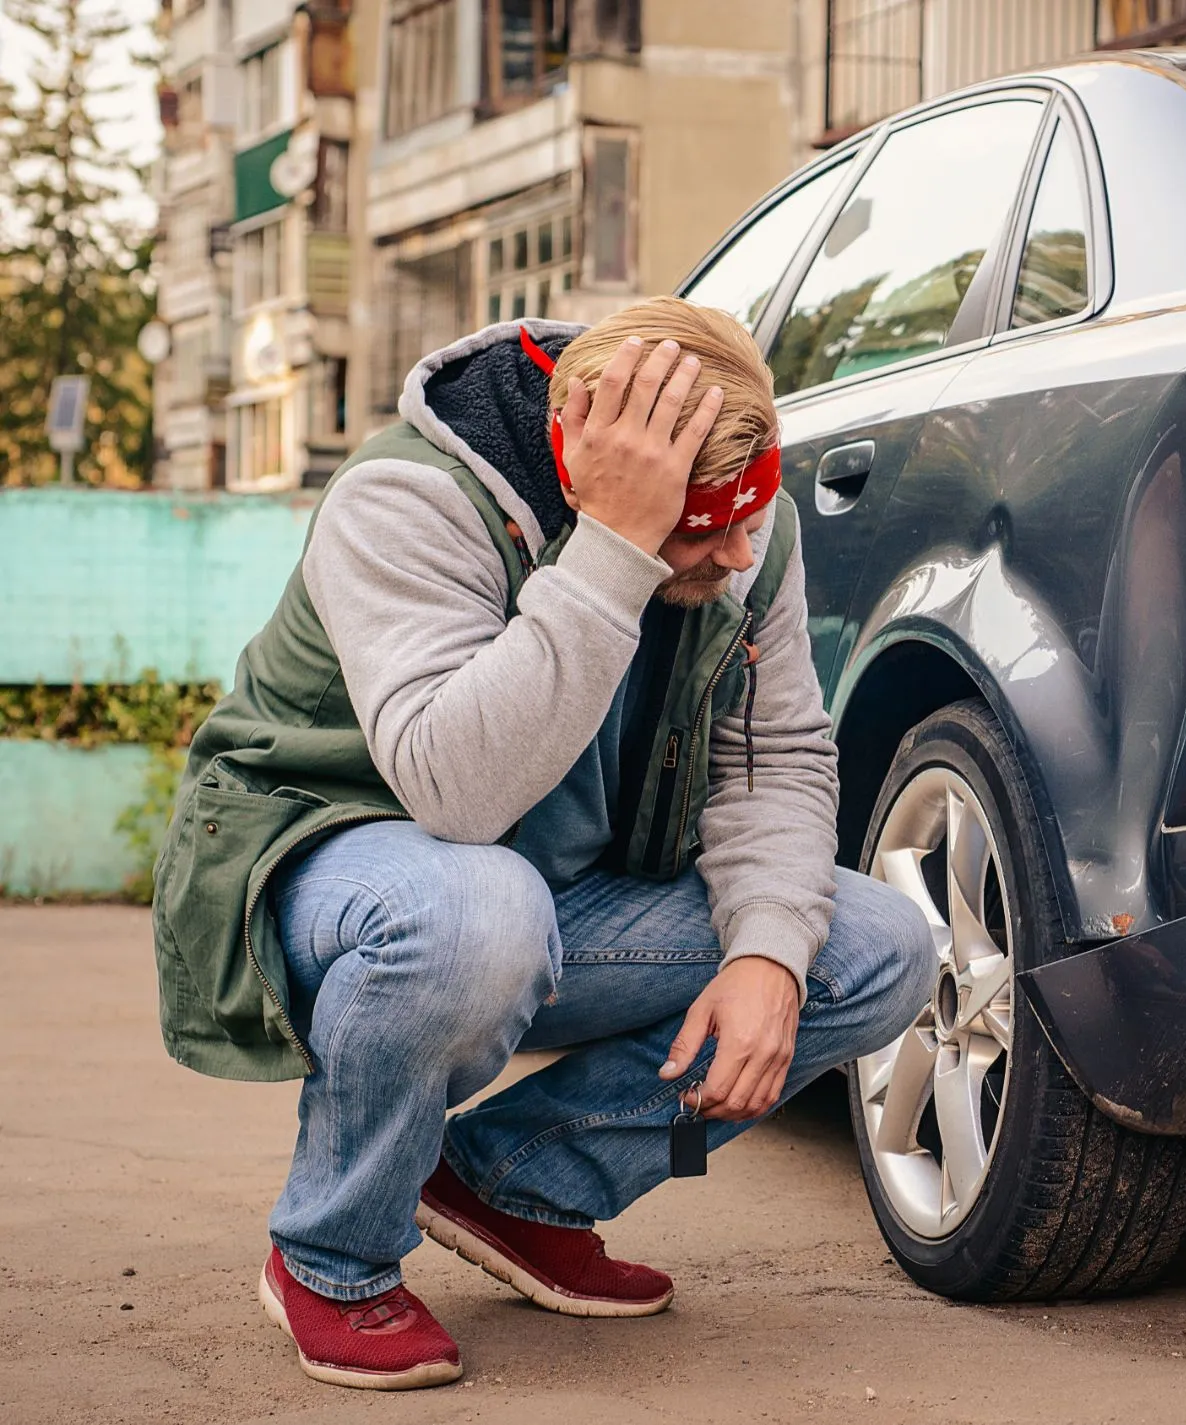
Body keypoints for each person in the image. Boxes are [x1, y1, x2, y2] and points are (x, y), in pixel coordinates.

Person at [151, 298, 937, 1390]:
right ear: (589, 468)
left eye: (753, 516)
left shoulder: (746, 539)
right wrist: (613, 550)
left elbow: (777, 757)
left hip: (556, 897)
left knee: (873, 946)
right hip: (334, 867)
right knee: (479, 911)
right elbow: (457, 794)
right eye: (703, 524)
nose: (740, 551)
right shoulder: (407, 498)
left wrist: (766, 955)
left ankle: (512, 1188)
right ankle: (332, 1258)